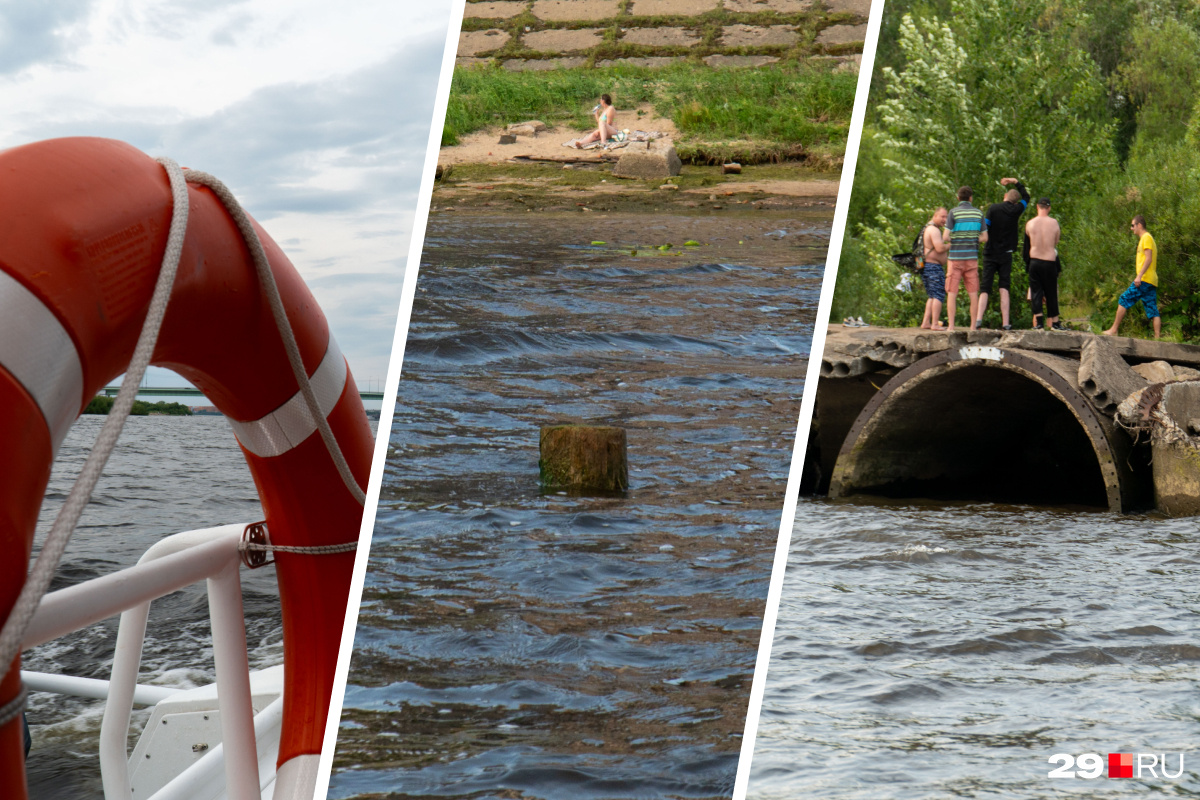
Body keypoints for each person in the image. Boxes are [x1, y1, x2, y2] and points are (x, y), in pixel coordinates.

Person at [977, 177, 1029, 330]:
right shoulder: (1017, 209)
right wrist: (1016, 181)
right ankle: (1005, 323)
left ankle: (978, 319)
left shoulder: (993, 208)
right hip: (1006, 254)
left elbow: (985, 227)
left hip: (990, 252)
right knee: (1004, 287)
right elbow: (1026, 197)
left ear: (1005, 197)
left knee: (985, 287)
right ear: (1015, 201)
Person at [1104, 215, 1160, 338]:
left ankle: (1113, 330)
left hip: (1144, 279)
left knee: (1124, 299)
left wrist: (1139, 276)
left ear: (1139, 225)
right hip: (1151, 280)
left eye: (1132, 225)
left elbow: (1148, 259)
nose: (1131, 228)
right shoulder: (1147, 238)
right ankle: (1158, 339)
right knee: (1152, 309)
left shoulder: (1146, 238)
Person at [944, 186, 987, 331]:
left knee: (952, 292)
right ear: (971, 198)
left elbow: (945, 236)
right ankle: (973, 326)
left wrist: (956, 239)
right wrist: (973, 239)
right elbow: (985, 237)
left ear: (958, 198)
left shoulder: (953, 213)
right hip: (971, 258)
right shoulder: (978, 213)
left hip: (955, 258)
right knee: (973, 293)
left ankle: (950, 326)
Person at [1025, 198, 1062, 330]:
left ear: (1037, 207)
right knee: (1051, 292)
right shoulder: (1054, 223)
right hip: (1049, 261)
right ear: (1049, 208)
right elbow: (1056, 241)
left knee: (1036, 291)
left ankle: (1039, 321)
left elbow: (1028, 241)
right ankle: (1055, 322)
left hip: (1035, 260)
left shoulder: (1030, 223)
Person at [919, 207, 950, 329]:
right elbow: (940, 248)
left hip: (927, 266)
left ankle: (926, 322)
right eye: (942, 217)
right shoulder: (934, 230)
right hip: (932, 267)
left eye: (946, 217)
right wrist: (951, 245)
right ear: (935, 216)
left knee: (932, 295)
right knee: (938, 294)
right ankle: (935, 323)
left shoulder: (927, 228)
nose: (945, 219)